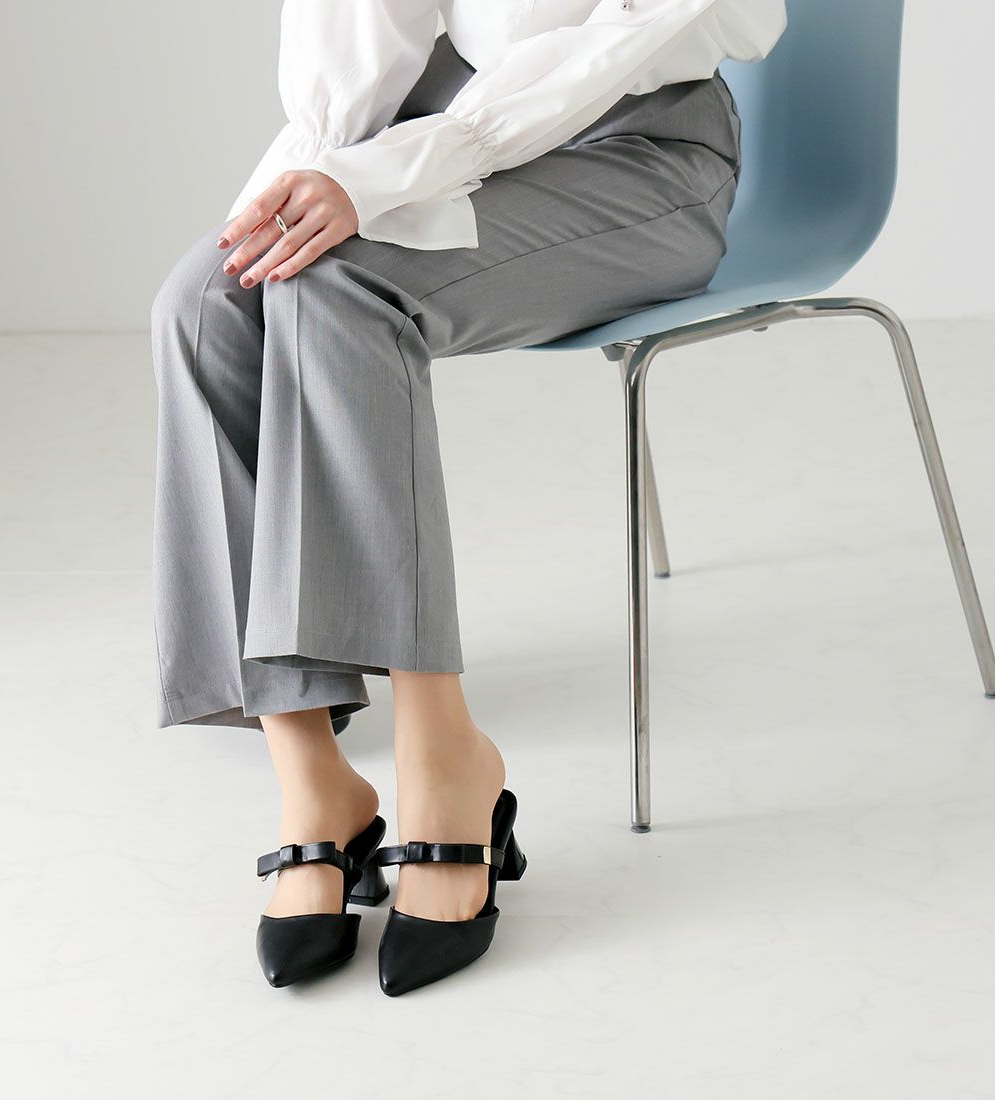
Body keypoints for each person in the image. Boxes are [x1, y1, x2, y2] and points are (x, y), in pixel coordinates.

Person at [150, 0, 788, 996]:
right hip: (456, 130)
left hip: (638, 149)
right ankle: (314, 784)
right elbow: (359, 44)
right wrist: (310, 180)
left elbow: (626, 38)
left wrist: (387, 176)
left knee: (336, 291)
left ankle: (446, 760)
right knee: (206, 306)